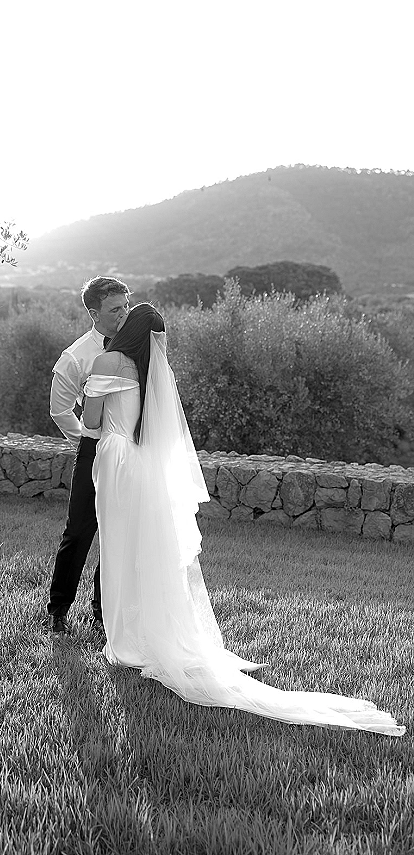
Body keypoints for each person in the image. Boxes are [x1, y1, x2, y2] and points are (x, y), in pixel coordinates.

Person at [82, 303, 405, 736]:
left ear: (129, 330)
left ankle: (124, 642)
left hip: (115, 460)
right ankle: (142, 635)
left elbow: (90, 422)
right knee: (142, 551)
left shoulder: (108, 361)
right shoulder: (150, 369)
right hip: (142, 468)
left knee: (118, 549)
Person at [47, 276, 130, 636]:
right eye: (115, 309)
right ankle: (58, 610)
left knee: (117, 534)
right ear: (94, 313)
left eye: (127, 305)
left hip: (130, 452)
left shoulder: (137, 346)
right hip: (95, 447)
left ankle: (102, 612)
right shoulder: (76, 356)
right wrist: (87, 439)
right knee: (79, 532)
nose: (124, 313)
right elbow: (59, 408)